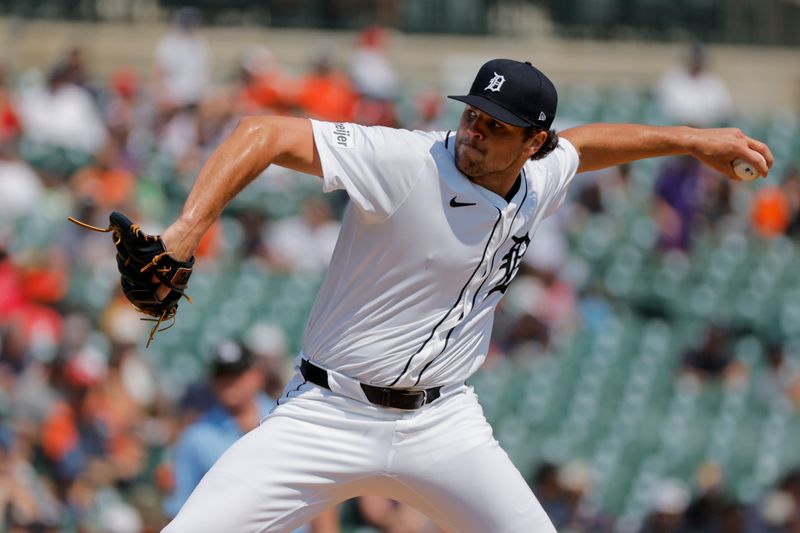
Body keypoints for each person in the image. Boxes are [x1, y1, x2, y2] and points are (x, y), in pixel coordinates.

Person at [158, 58, 772, 532]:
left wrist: (692, 139)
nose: (474, 132)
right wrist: (186, 231)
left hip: (441, 422)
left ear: (534, 141)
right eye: (472, 114)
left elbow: (590, 144)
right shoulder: (407, 161)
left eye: (494, 125)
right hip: (327, 412)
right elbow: (263, 132)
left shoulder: (541, 177)